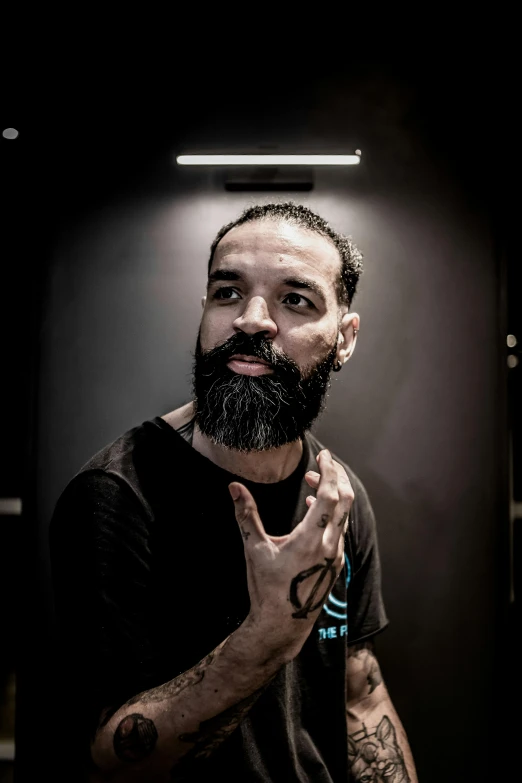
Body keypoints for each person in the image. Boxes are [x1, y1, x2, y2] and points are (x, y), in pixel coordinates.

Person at [48, 202, 418, 782]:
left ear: (345, 338)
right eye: (227, 292)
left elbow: (361, 698)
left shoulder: (336, 497)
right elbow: (113, 758)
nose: (251, 320)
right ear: (204, 313)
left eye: (295, 299)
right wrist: (270, 634)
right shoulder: (116, 496)